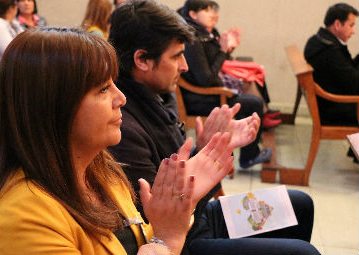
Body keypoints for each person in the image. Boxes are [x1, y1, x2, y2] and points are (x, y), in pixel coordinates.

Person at [0, 26, 238, 255]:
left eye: (113, 84)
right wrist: (168, 238)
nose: (121, 99)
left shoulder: (101, 172)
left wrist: (182, 200)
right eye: (103, 89)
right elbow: (157, 242)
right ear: (54, 107)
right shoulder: (24, 217)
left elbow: (139, 242)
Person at [108, 1, 320, 255]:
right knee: (303, 253)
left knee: (299, 204)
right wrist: (209, 155)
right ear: (142, 59)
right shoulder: (122, 128)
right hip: (180, 241)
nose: (184, 66)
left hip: (200, 218)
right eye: (176, 56)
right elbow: (160, 219)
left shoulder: (158, 95)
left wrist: (207, 147)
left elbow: (181, 181)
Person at [180, 0, 281, 131]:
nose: (212, 14)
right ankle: (252, 147)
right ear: (193, 14)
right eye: (206, 10)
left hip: (212, 90)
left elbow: (215, 63)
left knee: (250, 79)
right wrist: (223, 50)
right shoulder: (193, 39)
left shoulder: (204, 33)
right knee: (254, 102)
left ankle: (263, 117)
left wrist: (227, 48)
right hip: (202, 98)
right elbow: (207, 79)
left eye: (212, 10)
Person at [304, 3, 359, 163]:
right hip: (333, 110)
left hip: (327, 104)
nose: (353, 31)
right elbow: (355, 84)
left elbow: (346, 71)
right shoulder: (329, 51)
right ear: (337, 24)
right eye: (351, 25)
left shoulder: (319, 41)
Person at [0, 0, 23, 66]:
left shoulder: (14, 23)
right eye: (16, 5)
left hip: (12, 67)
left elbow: (27, 42)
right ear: (11, 8)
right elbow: (10, 52)